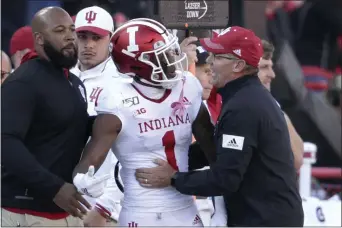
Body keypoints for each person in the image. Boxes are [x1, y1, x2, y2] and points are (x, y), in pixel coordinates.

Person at [135, 26, 304, 227]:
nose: (209, 61)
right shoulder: (247, 98)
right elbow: (220, 149)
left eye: (217, 56)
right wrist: (170, 157)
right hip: (269, 216)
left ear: (238, 66)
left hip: (263, 220)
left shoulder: (243, 107)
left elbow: (225, 179)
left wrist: (174, 179)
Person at [72, 18, 216, 226]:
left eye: (171, 52)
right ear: (138, 64)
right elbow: (90, 159)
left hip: (185, 210)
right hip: (141, 215)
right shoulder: (117, 99)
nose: (172, 60)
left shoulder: (188, 85)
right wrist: (84, 180)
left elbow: (212, 150)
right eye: (162, 56)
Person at [1, 7, 91, 227]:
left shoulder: (74, 82)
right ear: (39, 39)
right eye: (60, 30)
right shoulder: (24, 82)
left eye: (72, 29)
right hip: (26, 213)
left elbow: (64, 130)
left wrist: (104, 123)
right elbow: (5, 142)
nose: (70, 36)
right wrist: (54, 186)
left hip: (66, 210)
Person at [70, 5, 126, 227]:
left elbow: (126, 153)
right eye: (82, 37)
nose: (89, 45)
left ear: (110, 40)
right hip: (66, 200)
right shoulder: (64, 75)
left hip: (104, 208)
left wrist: (106, 206)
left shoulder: (122, 81)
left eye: (97, 37)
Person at [258, 39, 304, 170]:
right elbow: (295, 160)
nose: (272, 75)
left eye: (271, 67)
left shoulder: (271, 105)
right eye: (264, 67)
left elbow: (298, 156)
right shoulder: (232, 105)